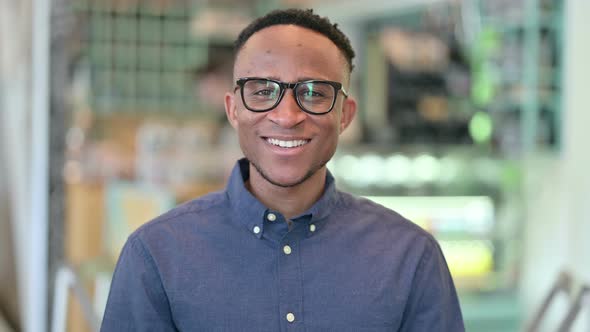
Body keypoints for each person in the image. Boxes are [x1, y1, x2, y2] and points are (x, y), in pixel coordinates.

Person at [101, 8, 465, 331]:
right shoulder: (156, 256)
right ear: (233, 110)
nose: (287, 116)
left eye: (314, 93)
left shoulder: (410, 257)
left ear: (345, 115)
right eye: (262, 91)